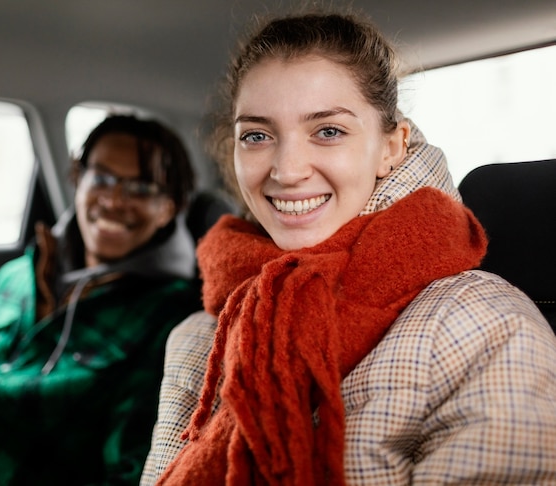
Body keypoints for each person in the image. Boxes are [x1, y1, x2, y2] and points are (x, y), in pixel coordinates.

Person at [140, 10, 556, 485]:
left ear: (391, 146)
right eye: (257, 136)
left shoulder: (483, 324)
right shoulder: (201, 334)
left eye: (329, 131)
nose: (288, 169)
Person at [0, 114, 203, 485]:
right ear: (78, 178)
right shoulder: (22, 273)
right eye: (103, 178)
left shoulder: (169, 318)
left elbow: (131, 461)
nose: (113, 200)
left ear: (167, 209)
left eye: (141, 188)